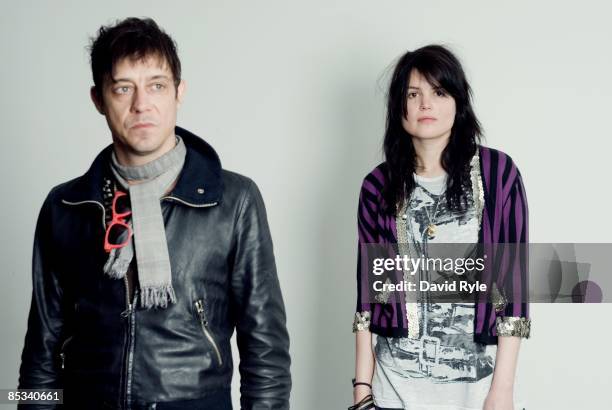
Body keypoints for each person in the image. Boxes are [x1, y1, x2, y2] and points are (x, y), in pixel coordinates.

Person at [18, 17, 291, 410]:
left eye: (157, 86)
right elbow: (40, 353)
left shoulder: (235, 200)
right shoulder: (65, 207)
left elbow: (265, 350)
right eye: (123, 88)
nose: (141, 104)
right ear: (98, 99)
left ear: (179, 92)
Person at [351, 45, 530, 410]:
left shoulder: (498, 176)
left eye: (438, 92)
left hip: (477, 392)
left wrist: (502, 391)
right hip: (393, 390)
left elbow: (514, 290)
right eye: (412, 94)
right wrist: (361, 387)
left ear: (458, 102)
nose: (425, 105)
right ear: (398, 107)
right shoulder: (377, 186)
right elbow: (369, 295)